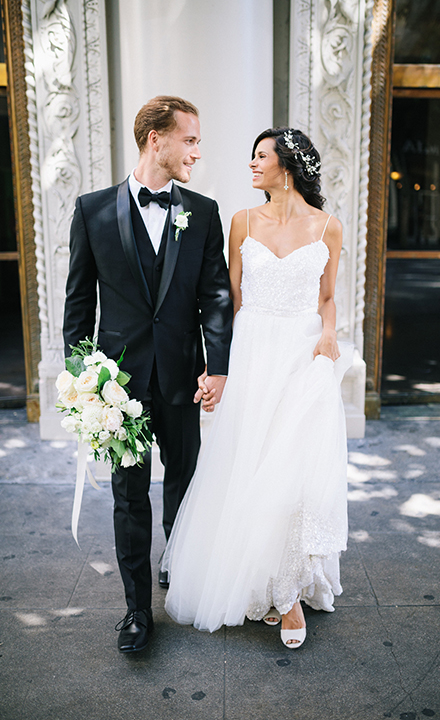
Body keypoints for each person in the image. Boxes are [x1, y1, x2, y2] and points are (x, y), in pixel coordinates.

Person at [162, 127, 353, 648]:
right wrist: (219, 365)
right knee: (252, 465)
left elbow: (329, 297)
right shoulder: (242, 221)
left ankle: (287, 588)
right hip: (254, 354)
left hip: (303, 355)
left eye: (260, 157)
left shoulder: (328, 227)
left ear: (285, 167)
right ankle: (272, 587)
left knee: (293, 471)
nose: (251, 165)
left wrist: (330, 333)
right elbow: (231, 301)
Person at [63, 96, 233, 653]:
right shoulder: (91, 212)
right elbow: (77, 310)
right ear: (155, 140)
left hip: (184, 379)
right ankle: (137, 611)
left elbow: (214, 296)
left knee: (185, 484)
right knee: (129, 496)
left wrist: (219, 369)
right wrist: (87, 387)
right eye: (189, 140)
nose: (196, 152)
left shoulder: (203, 213)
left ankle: (179, 569)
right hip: (119, 388)